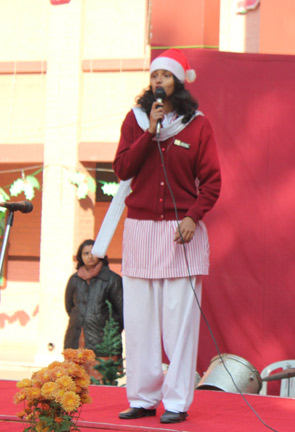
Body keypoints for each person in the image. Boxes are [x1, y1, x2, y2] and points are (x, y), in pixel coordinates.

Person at [113, 49, 222, 424]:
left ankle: (176, 402)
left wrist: (193, 216)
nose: (158, 81)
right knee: (140, 322)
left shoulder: (198, 126)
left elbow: (212, 182)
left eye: (165, 75)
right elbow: (122, 168)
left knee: (179, 325)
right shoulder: (137, 120)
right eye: (154, 75)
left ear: (178, 82)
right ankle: (142, 398)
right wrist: (149, 132)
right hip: (141, 231)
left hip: (181, 234)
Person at [64, 239, 123, 380]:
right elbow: (69, 307)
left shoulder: (112, 279)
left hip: (103, 341)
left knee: (101, 384)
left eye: (93, 253)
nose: (90, 256)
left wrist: (111, 333)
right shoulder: (74, 279)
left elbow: (121, 311)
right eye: (86, 253)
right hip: (77, 337)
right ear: (80, 256)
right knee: (75, 383)